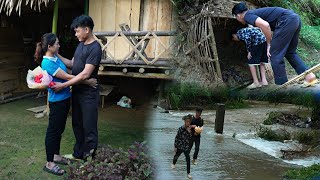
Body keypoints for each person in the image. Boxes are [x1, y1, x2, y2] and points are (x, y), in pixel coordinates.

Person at [34, 33, 97, 176]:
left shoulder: (55, 58)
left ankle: (56, 155)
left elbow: (69, 69)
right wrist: (87, 80)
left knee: (60, 130)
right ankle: (49, 162)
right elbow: (67, 76)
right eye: (56, 43)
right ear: (49, 46)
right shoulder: (47, 63)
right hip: (56, 102)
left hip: (64, 99)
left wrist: (83, 73)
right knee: (53, 131)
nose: (59, 45)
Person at [52, 15, 102, 161]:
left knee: (89, 126)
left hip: (89, 94)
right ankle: (78, 154)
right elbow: (72, 64)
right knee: (77, 124)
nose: (75, 34)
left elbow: (85, 74)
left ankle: (89, 158)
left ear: (86, 30)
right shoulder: (81, 45)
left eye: (77, 31)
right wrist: (57, 54)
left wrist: (63, 85)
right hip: (78, 92)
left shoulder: (95, 48)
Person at [232, 2, 316, 85]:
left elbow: (265, 25)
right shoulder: (253, 14)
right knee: (290, 52)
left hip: (286, 20)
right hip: (294, 19)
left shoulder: (247, 16)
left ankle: (282, 85)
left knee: (274, 54)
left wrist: (269, 44)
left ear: (238, 15)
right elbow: (265, 27)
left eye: (235, 17)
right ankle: (309, 76)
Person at [172, 115, 193, 179]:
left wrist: (190, 133)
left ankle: (188, 173)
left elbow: (191, 139)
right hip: (180, 146)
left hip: (186, 147)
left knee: (188, 160)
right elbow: (177, 137)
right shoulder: (180, 128)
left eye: (189, 122)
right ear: (184, 122)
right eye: (187, 122)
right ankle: (173, 163)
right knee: (176, 156)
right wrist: (175, 146)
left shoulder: (190, 129)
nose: (188, 123)